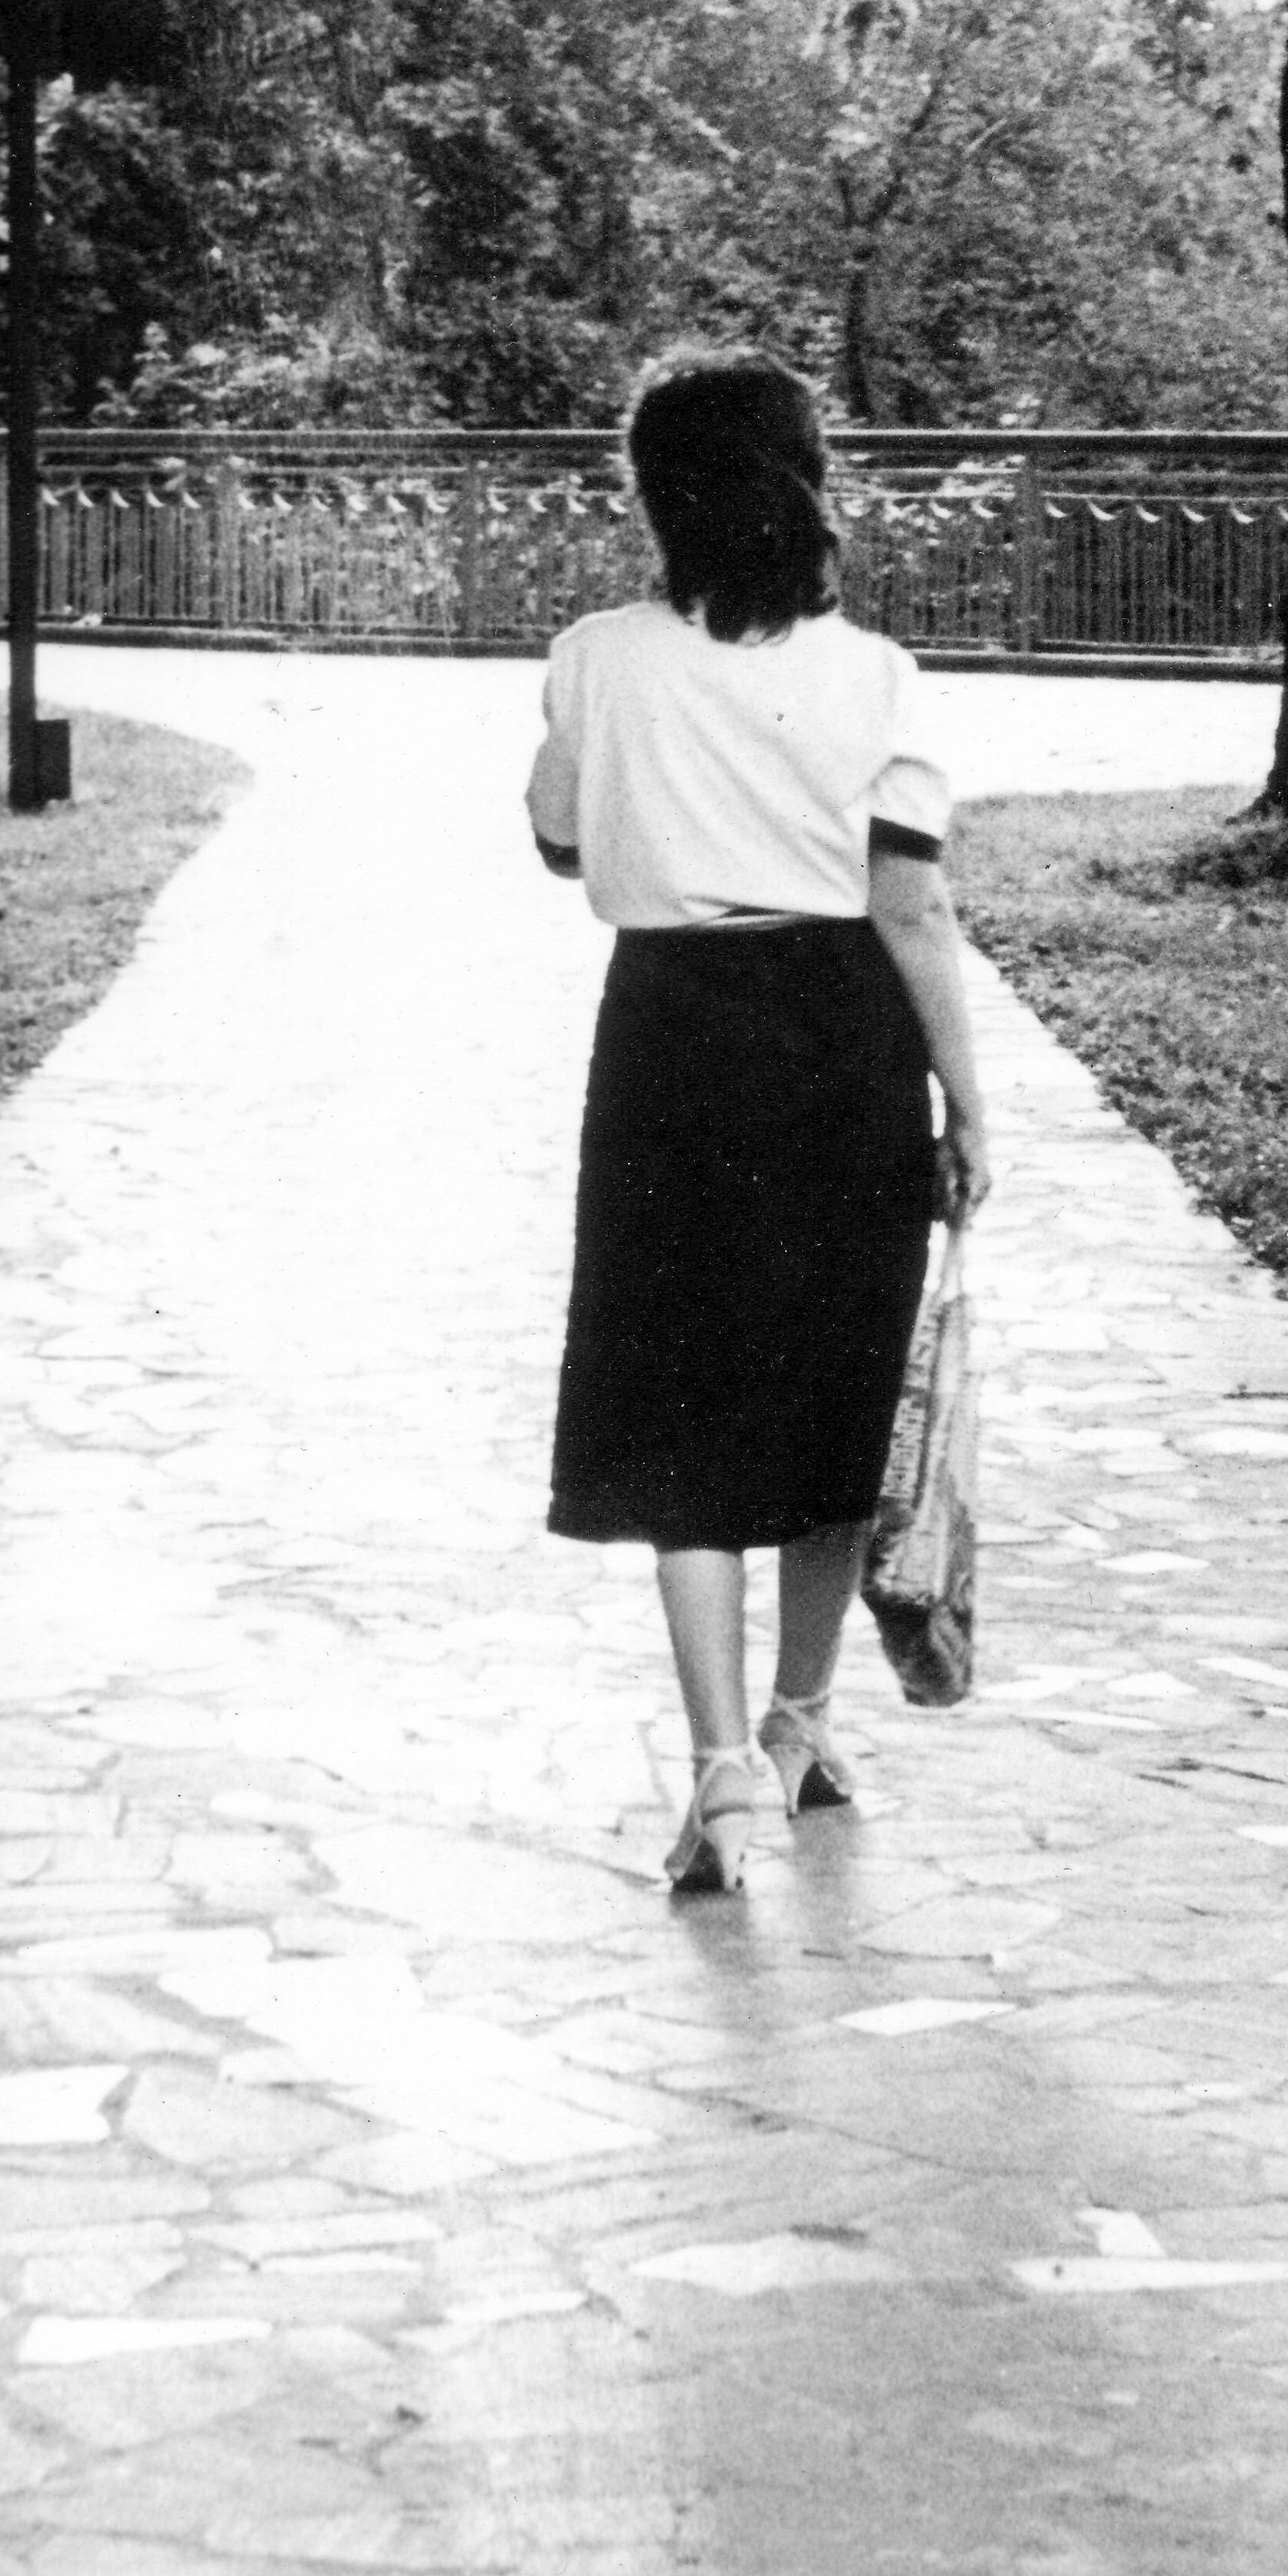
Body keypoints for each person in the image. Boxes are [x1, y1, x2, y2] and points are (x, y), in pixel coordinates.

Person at [525, 353, 994, 1897]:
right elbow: (911, 905)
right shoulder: (878, 676)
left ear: (654, 496)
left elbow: (558, 838)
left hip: (667, 1035)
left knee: (680, 1398)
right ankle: (801, 1721)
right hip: (840, 1042)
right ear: (810, 485)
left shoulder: (593, 656)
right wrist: (966, 1099)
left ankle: (724, 1766)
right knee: (833, 1388)